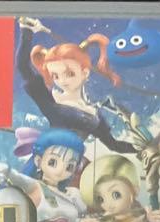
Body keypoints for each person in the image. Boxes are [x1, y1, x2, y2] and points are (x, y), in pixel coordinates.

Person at [16, 17, 135, 154]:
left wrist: (142, 149)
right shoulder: (50, 100)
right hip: (47, 159)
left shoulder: (94, 114)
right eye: (55, 76)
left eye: (70, 74)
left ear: (85, 72)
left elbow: (114, 145)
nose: (62, 81)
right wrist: (26, 31)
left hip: (72, 163)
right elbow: (23, 66)